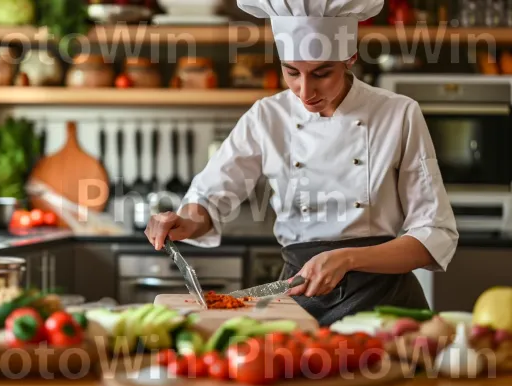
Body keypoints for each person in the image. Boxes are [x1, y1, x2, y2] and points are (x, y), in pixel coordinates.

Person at [144, 0, 459, 326]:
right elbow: (210, 199)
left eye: (322, 73)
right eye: (291, 72)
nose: (305, 91)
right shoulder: (267, 117)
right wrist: (184, 221)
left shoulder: (397, 114)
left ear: (350, 58)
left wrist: (348, 258)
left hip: (385, 305)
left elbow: (435, 234)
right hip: (297, 302)